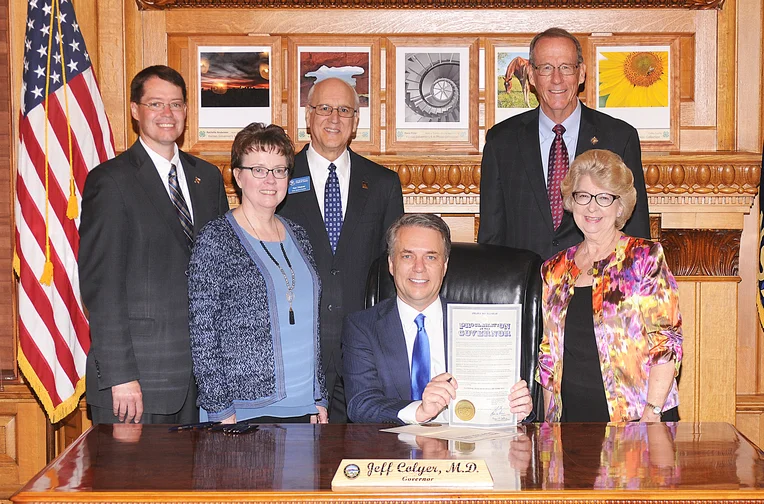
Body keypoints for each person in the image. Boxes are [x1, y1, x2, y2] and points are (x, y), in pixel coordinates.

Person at [79, 65, 229, 424]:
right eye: (156, 104)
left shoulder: (206, 178)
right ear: (135, 110)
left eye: (176, 104)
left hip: (200, 382)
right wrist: (120, 376)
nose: (167, 114)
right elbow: (102, 288)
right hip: (136, 384)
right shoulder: (111, 181)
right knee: (131, 482)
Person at [278, 77, 404, 422]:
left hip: (363, 349)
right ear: (308, 116)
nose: (334, 118)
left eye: (345, 110)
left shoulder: (382, 183)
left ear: (356, 121)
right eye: (325, 108)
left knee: (362, 453)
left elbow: (393, 267)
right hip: (296, 345)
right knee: (298, 461)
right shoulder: (279, 179)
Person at [188, 123, 328, 424]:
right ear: (238, 176)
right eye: (258, 170)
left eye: (279, 170)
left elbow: (310, 323)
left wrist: (319, 395)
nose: (270, 180)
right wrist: (219, 408)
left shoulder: (299, 235)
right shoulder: (216, 238)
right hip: (242, 410)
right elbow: (203, 333)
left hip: (304, 406)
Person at [343, 213, 533, 424]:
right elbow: (360, 405)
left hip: (467, 446)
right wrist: (419, 411)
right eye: (407, 256)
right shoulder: (362, 327)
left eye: (431, 257)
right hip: (392, 449)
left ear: (444, 266)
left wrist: (519, 409)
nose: (419, 267)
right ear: (391, 263)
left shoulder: (481, 324)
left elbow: (503, 402)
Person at [478, 27, 650, 260]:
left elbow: (636, 231)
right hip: (525, 287)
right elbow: (491, 238)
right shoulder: (501, 141)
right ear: (530, 74)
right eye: (546, 68)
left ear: (581, 74)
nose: (556, 79)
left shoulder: (620, 138)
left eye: (566, 68)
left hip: (596, 285)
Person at [537, 149, 682, 422]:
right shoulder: (553, 269)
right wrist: (549, 424)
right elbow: (548, 356)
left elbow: (666, 343)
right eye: (583, 196)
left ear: (620, 206)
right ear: (571, 201)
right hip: (570, 423)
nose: (592, 207)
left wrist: (651, 416)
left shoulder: (644, 258)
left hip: (638, 422)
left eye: (604, 198)